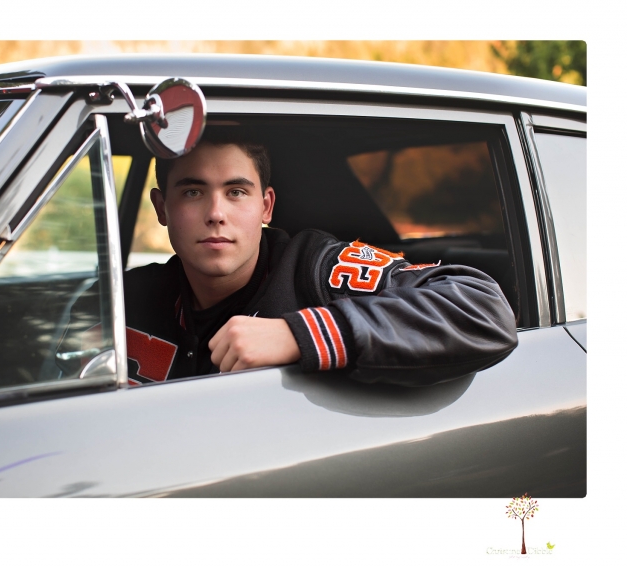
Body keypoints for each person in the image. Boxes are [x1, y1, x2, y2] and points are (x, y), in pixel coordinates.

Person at [66, 131, 518, 386]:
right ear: (163, 208)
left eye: (236, 192)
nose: (216, 213)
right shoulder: (125, 299)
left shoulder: (317, 268)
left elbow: (482, 307)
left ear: (265, 207)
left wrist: (296, 334)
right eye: (193, 191)